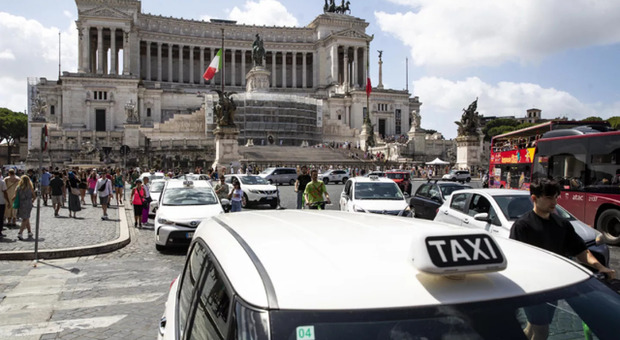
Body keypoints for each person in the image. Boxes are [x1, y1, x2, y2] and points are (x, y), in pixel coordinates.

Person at [510, 178, 616, 340]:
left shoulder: (562, 224)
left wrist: (601, 267)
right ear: (534, 198)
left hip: (554, 286)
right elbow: (516, 259)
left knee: (533, 327)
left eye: (556, 197)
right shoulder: (522, 226)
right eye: (549, 197)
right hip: (533, 289)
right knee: (541, 331)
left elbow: (581, 251)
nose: (554, 202)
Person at [15, 175, 36, 240]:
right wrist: (32, 201)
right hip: (28, 203)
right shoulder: (30, 187)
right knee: (25, 218)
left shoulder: (18, 187)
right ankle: (20, 233)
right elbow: (34, 196)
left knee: (26, 217)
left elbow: (15, 196)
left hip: (21, 203)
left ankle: (29, 231)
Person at [0, 174, 8, 238]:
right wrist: (8, 200)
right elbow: (5, 192)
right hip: (1, 202)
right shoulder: (2, 182)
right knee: (1, 217)